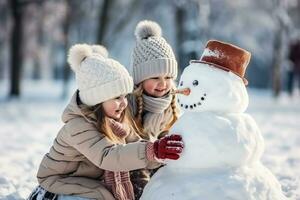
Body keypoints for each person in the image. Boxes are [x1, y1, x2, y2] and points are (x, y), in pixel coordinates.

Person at [27, 44, 184, 200]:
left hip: (87, 180)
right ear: (97, 100)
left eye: (124, 96)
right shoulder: (77, 126)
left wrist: (160, 156)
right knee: (102, 197)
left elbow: (138, 145)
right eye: (117, 97)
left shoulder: (118, 121)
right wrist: (151, 150)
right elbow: (108, 157)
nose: (124, 103)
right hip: (58, 183)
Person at [128, 20, 180, 199]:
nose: (163, 83)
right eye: (155, 77)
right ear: (140, 79)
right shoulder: (128, 104)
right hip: (130, 168)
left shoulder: (170, 105)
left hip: (157, 166)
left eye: (167, 77)